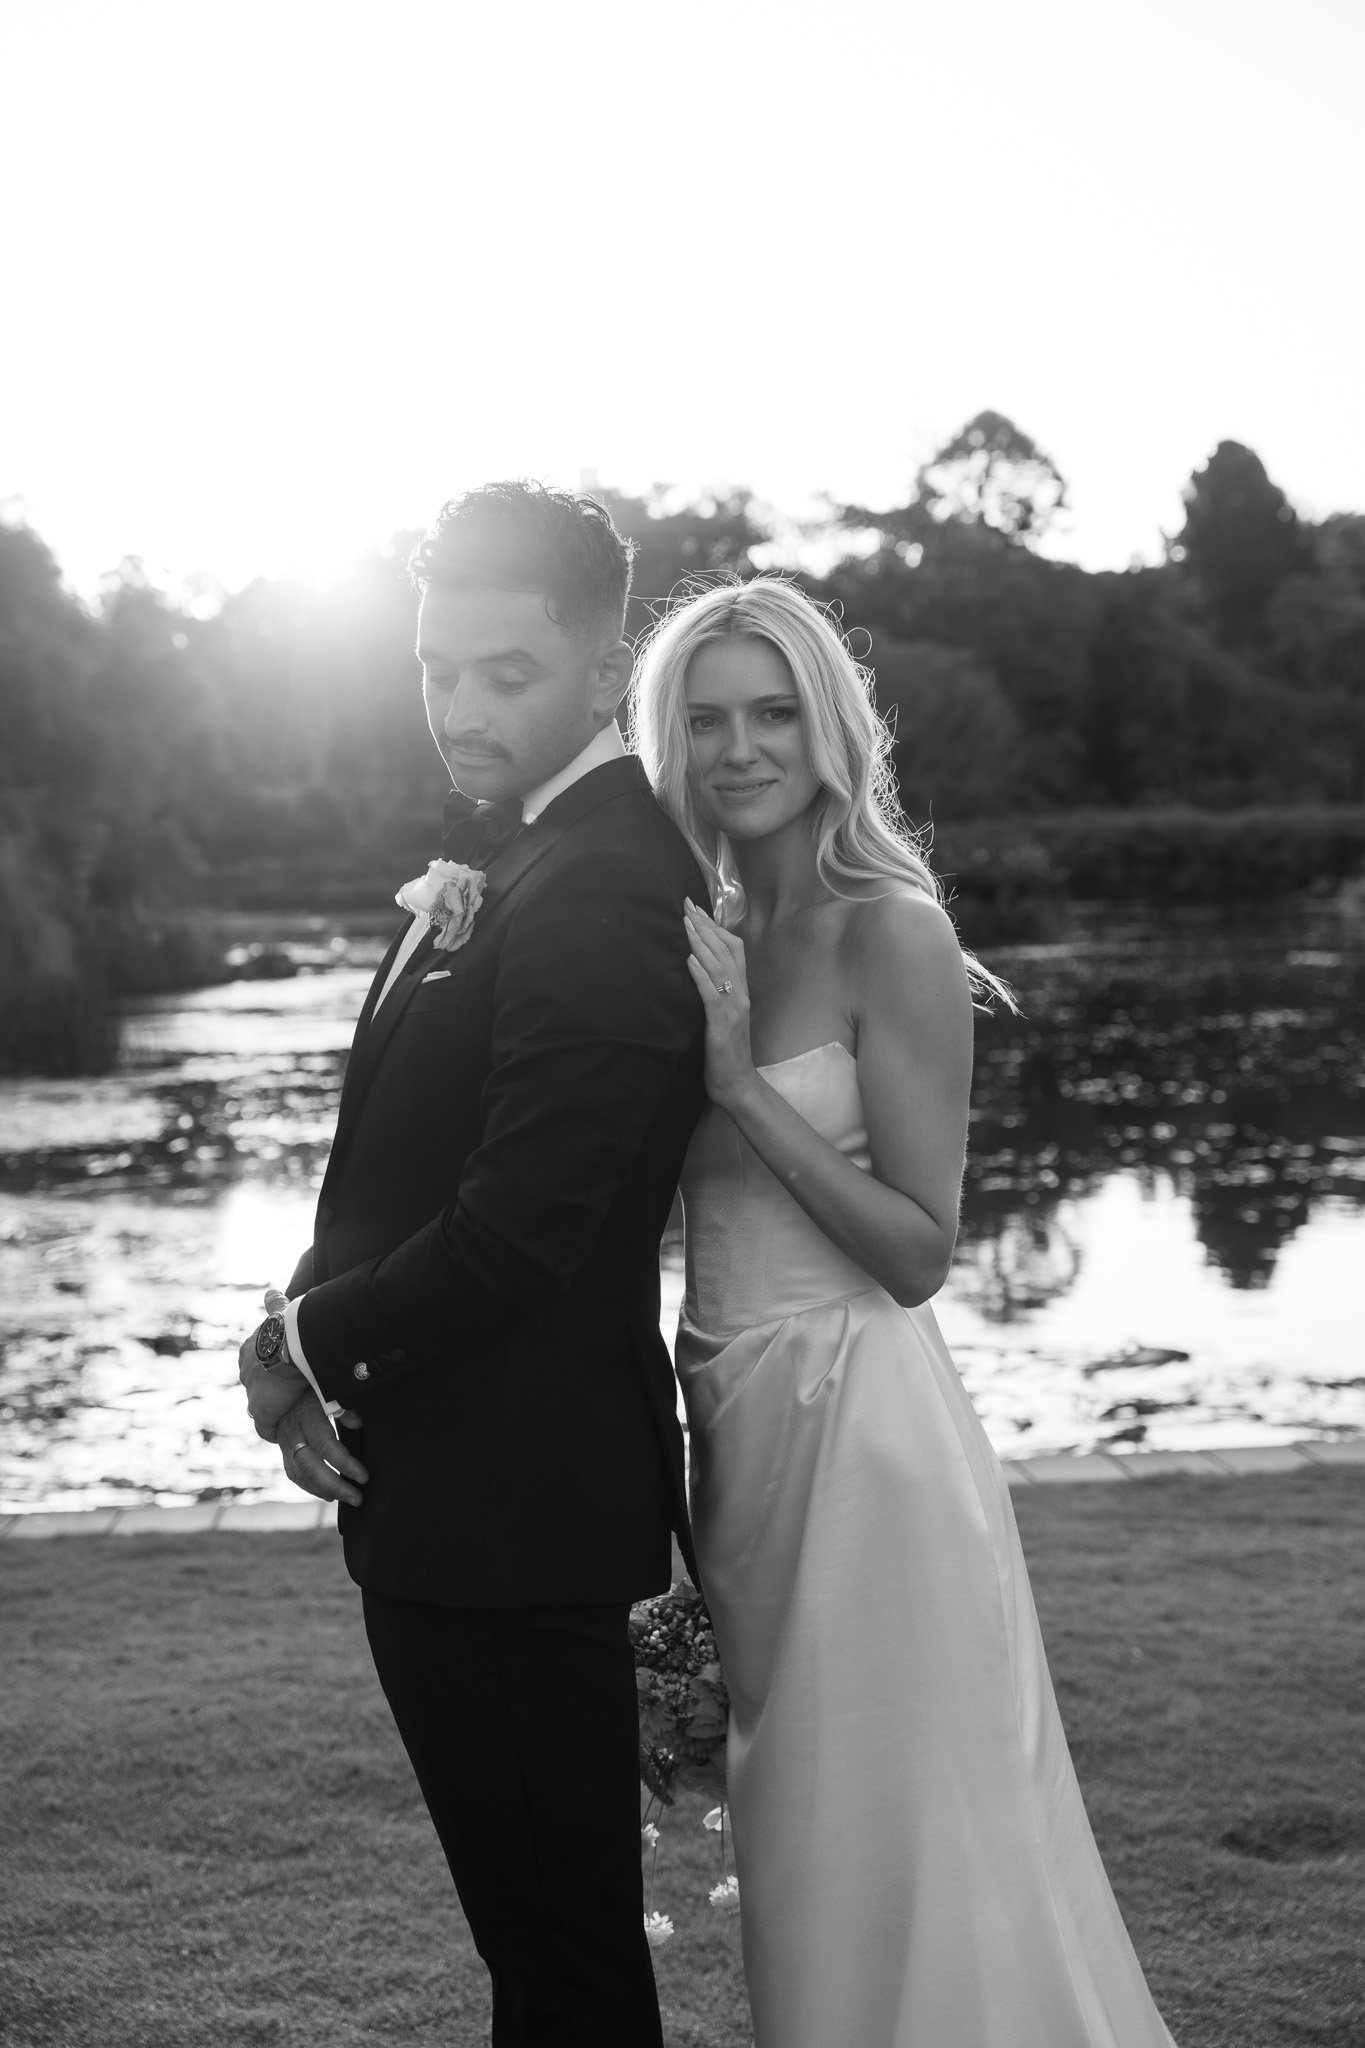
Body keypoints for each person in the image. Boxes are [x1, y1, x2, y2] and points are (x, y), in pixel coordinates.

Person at [632, 575, 1178, 2048]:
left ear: (828, 728)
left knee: (908, 1842)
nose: (738, 747)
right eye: (703, 718)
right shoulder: (700, 930)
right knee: (800, 1850)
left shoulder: (895, 931)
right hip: (732, 1429)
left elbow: (919, 1250)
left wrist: (742, 1084)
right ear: (664, 741)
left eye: (770, 712)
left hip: (865, 1438)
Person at [237, 482, 708, 2047]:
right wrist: (302, 1331)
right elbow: (400, 1172)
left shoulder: (603, 885)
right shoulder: (511, 856)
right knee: (540, 1951)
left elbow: (518, 1232)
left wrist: (305, 1347)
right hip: (455, 1494)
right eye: (437, 668)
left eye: (504, 674)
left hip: (516, 1516)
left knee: (564, 1961)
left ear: (596, 665)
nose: (458, 706)